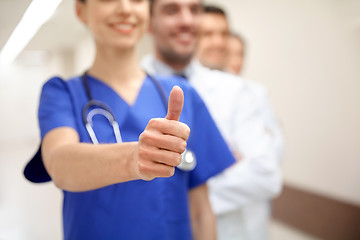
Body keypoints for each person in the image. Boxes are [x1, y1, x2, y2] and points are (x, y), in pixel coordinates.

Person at [23, 0, 236, 239]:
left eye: (137, 0)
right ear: (81, 11)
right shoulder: (62, 93)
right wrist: (132, 159)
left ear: (148, 13)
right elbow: (59, 164)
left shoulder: (182, 94)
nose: (125, 8)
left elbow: (200, 210)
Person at [142, 1, 285, 239]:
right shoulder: (127, 88)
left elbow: (265, 174)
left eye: (195, 10)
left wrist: (174, 189)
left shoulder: (235, 90)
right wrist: (217, 166)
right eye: (171, 10)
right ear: (149, 22)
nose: (186, 21)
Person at [195, 5, 229, 71]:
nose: (218, 42)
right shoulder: (176, 78)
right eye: (208, 34)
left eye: (224, 34)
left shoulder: (236, 80)